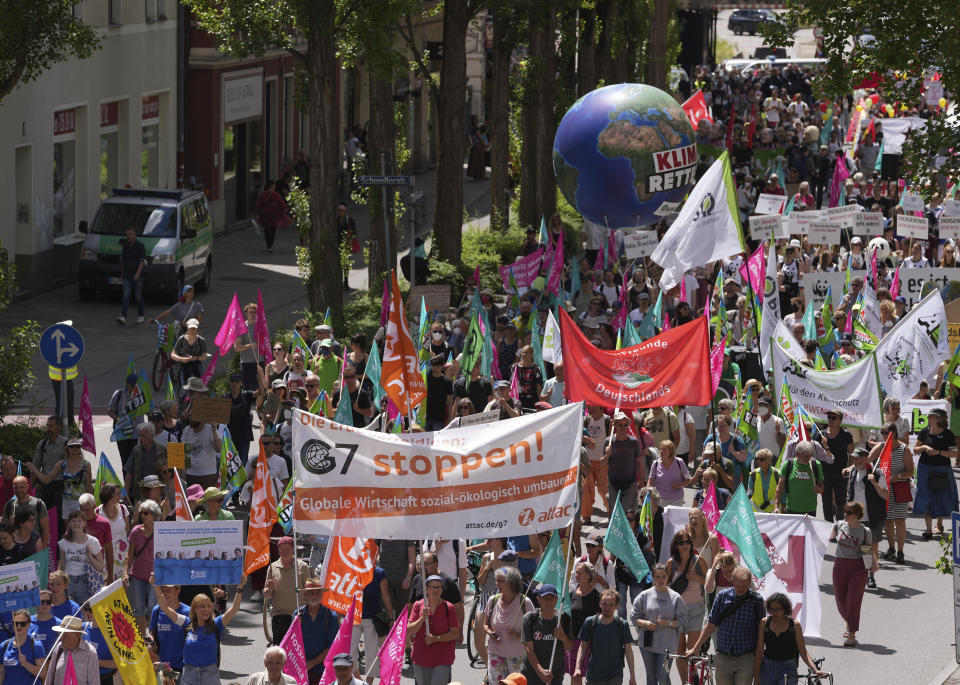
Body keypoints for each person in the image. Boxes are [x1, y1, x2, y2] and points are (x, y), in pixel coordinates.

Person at [152, 574, 247, 685]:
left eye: (208, 606)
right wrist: (156, 586)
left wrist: (240, 588)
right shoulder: (186, 623)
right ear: (194, 609)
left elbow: (235, 607)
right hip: (189, 675)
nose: (206, 609)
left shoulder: (217, 624)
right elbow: (165, 608)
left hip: (210, 676)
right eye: (202, 606)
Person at [686, 566, 765, 685]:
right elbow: (711, 624)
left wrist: (759, 659)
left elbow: (761, 630)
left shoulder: (756, 601)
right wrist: (695, 648)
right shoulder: (722, 596)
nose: (740, 589)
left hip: (746, 658)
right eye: (738, 586)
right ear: (732, 580)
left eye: (744, 586)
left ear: (749, 582)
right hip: (723, 656)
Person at [830, 501, 878, 647]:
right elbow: (827, 536)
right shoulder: (839, 525)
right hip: (840, 565)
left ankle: (851, 634)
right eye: (845, 511)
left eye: (848, 513)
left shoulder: (865, 531)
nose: (845, 514)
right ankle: (849, 622)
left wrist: (873, 564)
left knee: (853, 601)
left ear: (856, 515)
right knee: (840, 600)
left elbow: (867, 550)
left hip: (857, 568)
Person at [631, 563, 687, 685]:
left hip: (667, 645)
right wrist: (644, 623)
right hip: (647, 644)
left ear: (668, 577)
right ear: (653, 577)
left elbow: (683, 620)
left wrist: (669, 622)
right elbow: (634, 616)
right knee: (651, 677)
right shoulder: (644, 595)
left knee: (662, 676)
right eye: (657, 576)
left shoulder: (676, 597)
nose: (661, 580)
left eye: (663, 576)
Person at [753, 592, 826, 684]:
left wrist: (815, 669)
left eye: (777, 609)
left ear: (785, 609)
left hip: (788, 667)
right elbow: (760, 650)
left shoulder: (794, 626)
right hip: (767, 667)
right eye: (771, 609)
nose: (774, 612)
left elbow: (802, 651)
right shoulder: (764, 623)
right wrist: (756, 676)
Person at [843, 447, 888, 589]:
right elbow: (849, 493)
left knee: (870, 547)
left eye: (857, 458)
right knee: (855, 547)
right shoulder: (853, 472)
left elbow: (886, 495)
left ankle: (871, 576)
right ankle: (856, 574)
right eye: (854, 458)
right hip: (855, 518)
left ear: (865, 458)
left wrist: (874, 483)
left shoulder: (878, 473)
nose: (855, 461)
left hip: (872, 516)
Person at [574, 588, 637, 685]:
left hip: (615, 676)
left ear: (616, 606)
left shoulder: (622, 625)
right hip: (593, 675)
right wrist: (577, 667)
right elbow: (582, 646)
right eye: (604, 604)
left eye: (611, 605)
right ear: (600, 604)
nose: (607, 608)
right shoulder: (590, 622)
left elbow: (628, 651)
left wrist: (632, 676)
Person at [913, 407, 959, 539]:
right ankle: (928, 529)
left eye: (931, 416)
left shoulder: (948, 434)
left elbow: (954, 453)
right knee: (925, 496)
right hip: (924, 468)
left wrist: (939, 452)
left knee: (941, 496)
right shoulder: (924, 431)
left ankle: (939, 525)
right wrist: (924, 447)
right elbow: (915, 450)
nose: (928, 418)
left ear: (939, 419)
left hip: (942, 469)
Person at [483, 566, 535, 683]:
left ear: (512, 583)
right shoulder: (492, 600)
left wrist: (518, 636)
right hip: (495, 652)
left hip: (517, 655)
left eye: (501, 581)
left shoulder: (525, 602)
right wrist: (490, 632)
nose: (497, 584)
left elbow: (533, 629)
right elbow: (485, 625)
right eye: (496, 580)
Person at [407, 574, 461, 685]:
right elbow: (408, 631)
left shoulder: (449, 607)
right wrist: (422, 618)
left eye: (439, 587)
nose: (436, 590)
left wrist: (436, 638)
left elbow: (455, 633)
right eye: (433, 587)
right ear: (427, 589)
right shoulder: (418, 605)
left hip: (442, 658)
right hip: (421, 657)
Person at [872, 423, 913, 564]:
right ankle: (891, 549)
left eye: (886, 432)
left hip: (899, 488)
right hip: (885, 490)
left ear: (894, 433)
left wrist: (896, 477)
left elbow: (910, 471)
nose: (883, 435)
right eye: (882, 432)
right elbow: (867, 459)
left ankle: (900, 552)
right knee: (888, 520)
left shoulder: (904, 449)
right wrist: (852, 467)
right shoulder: (882, 447)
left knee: (899, 520)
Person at [25, 437, 91, 523]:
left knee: (80, 526)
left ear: (80, 448)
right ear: (67, 448)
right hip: (66, 502)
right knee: (68, 530)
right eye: (72, 446)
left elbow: (88, 486)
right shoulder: (61, 464)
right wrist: (34, 468)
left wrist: (90, 503)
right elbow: (46, 480)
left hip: (81, 502)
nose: (75, 448)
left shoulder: (86, 464)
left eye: (77, 446)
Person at [521, 583, 573, 685]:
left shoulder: (564, 619)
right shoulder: (529, 619)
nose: (549, 601)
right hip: (532, 674)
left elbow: (569, 647)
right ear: (539, 599)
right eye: (545, 598)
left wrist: (563, 637)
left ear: (557, 600)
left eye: (552, 598)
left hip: (555, 674)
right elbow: (529, 650)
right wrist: (541, 671)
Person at [264, 536, 310, 645]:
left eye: (287, 548)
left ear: (293, 549)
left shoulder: (302, 566)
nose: (284, 551)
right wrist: (269, 589)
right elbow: (266, 595)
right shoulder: (272, 567)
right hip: (279, 615)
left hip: (299, 615)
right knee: (280, 652)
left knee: (299, 651)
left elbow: (309, 591)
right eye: (281, 549)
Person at [125, 499, 161, 632]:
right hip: (138, 575)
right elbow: (129, 555)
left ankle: (151, 639)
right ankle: (141, 639)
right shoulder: (136, 531)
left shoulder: (162, 531)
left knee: (153, 608)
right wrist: (125, 573)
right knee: (138, 609)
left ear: (154, 515)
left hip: (155, 576)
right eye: (141, 513)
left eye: (146, 513)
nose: (143, 516)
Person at [298, 577, 340, 685]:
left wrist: (310, 664)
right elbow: (293, 643)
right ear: (305, 595)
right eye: (311, 593)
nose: (314, 596)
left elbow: (332, 647)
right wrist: (295, 625)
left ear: (321, 594)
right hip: (301, 669)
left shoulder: (331, 616)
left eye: (317, 592)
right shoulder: (298, 615)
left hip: (322, 670)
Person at [57, 510, 105, 605]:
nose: (76, 523)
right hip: (68, 581)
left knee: (85, 612)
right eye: (73, 521)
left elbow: (101, 566)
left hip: (86, 581)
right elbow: (62, 565)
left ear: (84, 523)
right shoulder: (63, 543)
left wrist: (90, 555)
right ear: (69, 523)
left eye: (79, 520)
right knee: (70, 612)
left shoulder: (93, 542)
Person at [605, 411, 646, 513]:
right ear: (615, 426)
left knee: (624, 513)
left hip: (630, 484)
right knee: (614, 513)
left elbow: (639, 463)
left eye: (625, 425)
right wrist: (607, 455)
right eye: (620, 425)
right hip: (613, 484)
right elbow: (602, 463)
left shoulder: (634, 442)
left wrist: (641, 483)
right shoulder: (608, 442)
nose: (623, 427)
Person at [566, 561, 600, 678]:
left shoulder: (597, 596)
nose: (576, 575)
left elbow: (600, 620)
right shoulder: (571, 594)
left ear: (588, 576)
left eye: (579, 573)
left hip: (588, 642)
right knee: (574, 675)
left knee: (585, 675)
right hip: (572, 640)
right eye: (576, 573)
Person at [43, 615, 99, 685]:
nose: (61, 637)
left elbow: (94, 681)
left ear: (77, 635)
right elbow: (50, 676)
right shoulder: (59, 647)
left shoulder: (90, 652)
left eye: (65, 634)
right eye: (60, 634)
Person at [820, 408, 854, 522]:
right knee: (826, 502)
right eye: (829, 417)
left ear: (840, 420)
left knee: (841, 502)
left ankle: (839, 526)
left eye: (833, 418)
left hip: (841, 473)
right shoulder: (821, 434)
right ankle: (828, 527)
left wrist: (849, 469)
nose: (830, 420)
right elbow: (815, 454)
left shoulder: (846, 435)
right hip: (825, 473)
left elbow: (852, 454)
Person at [150, 584, 191, 675]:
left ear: (178, 590)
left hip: (181, 667)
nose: (165, 594)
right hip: (161, 665)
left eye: (168, 590)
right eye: (163, 591)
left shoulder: (188, 612)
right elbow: (152, 633)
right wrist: (150, 643)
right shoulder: (156, 611)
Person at [775, 441, 824, 516]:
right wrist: (776, 506)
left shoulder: (816, 464)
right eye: (805, 456)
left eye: (809, 455)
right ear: (797, 454)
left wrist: (819, 489)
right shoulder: (788, 464)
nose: (807, 458)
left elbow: (821, 487)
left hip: (810, 510)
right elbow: (780, 487)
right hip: (791, 509)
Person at [1, 476, 50, 551]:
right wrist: (10, 523)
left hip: (34, 546)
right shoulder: (9, 505)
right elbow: (4, 530)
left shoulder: (38, 504)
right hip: (15, 549)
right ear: (13, 488)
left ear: (27, 487)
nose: (19, 490)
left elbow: (45, 529)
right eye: (16, 487)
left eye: (21, 487)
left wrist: (42, 549)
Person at [30, 415, 67, 513]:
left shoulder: (66, 444)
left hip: (61, 487)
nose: (48, 429)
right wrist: (29, 488)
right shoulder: (42, 444)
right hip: (45, 487)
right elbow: (34, 467)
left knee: (59, 516)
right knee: (45, 515)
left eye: (51, 426)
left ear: (59, 427)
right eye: (47, 426)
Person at [1, 608, 46, 685]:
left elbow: (42, 673)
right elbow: (1, 672)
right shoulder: (4, 646)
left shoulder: (36, 645)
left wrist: (25, 664)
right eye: (16, 623)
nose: (19, 626)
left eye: (23, 624)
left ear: (28, 625)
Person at [77, 494, 114, 584]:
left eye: (87, 510)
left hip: (97, 570)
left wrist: (110, 574)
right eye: (82, 510)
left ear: (94, 506)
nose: (84, 513)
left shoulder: (104, 523)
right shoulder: (76, 522)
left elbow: (109, 550)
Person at [79, 602, 117, 685]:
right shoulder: (82, 627)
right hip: (85, 678)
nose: (88, 613)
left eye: (91, 610)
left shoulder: (112, 632)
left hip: (106, 678)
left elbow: (117, 664)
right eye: (86, 610)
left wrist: (95, 661)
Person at [647, 440, 693, 507]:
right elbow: (650, 481)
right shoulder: (656, 463)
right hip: (660, 499)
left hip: (677, 499)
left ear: (670, 451)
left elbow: (688, 479)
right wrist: (647, 491)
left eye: (664, 449)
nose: (661, 451)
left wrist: (678, 485)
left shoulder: (679, 462)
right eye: (660, 449)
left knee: (675, 517)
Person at [116, 225, 146, 325]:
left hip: (137, 276)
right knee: (126, 296)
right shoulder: (126, 245)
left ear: (134, 235)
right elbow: (123, 261)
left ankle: (141, 315)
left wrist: (137, 274)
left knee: (138, 296)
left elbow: (142, 262)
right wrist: (122, 273)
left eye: (130, 234)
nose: (128, 237)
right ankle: (123, 316)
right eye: (127, 235)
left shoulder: (140, 246)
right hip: (127, 275)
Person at [171, 320, 209, 389]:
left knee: (199, 388)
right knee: (184, 388)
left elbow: (205, 356)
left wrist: (195, 358)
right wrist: (181, 359)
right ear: (187, 327)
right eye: (190, 328)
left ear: (197, 328)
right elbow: (173, 354)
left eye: (194, 328)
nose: (192, 330)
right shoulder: (181, 339)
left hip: (196, 366)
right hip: (184, 366)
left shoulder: (201, 340)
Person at [255, 180, 288, 253]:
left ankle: (268, 245)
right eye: (274, 185)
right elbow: (281, 203)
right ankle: (270, 245)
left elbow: (258, 204)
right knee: (272, 230)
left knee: (266, 230)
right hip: (273, 214)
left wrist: (257, 212)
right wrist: (285, 209)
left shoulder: (263, 194)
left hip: (264, 214)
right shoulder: (276, 194)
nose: (275, 186)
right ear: (271, 186)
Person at [746, 448, 780, 513]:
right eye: (757, 459)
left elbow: (782, 493)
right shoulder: (753, 474)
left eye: (762, 459)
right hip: (758, 512)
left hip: (774, 512)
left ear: (769, 460)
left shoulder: (777, 473)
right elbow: (749, 493)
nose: (758, 461)